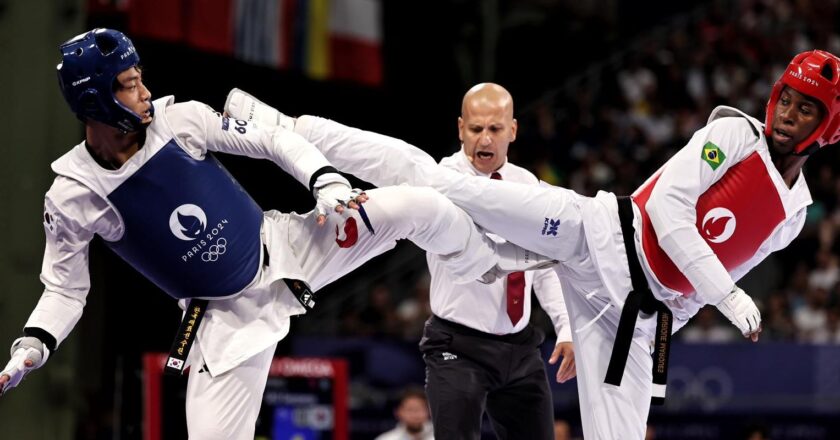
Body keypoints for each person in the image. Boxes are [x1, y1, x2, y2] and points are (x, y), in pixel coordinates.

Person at [227, 49, 840, 439]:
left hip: (626, 320)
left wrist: (656, 326)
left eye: (805, 108)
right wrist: (730, 298)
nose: (787, 113)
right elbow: (672, 213)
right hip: (593, 237)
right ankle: (284, 127)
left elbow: (699, 282)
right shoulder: (733, 133)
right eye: (785, 98)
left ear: (827, 126)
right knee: (431, 180)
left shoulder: (793, 214)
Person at [0, 29, 552, 440]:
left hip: (291, 245)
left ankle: (494, 260)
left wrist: (326, 182)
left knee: (419, 201)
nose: (144, 91)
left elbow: (270, 144)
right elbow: (66, 290)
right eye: (128, 84)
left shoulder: (181, 120)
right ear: (93, 98)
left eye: (140, 76)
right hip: (223, 319)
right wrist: (33, 344)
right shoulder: (73, 195)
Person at [417, 83, 574, 440]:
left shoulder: (528, 184)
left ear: (513, 131)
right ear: (460, 128)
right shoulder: (440, 184)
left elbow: (545, 266)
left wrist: (566, 326)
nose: (484, 140)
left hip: (520, 348)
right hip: (458, 346)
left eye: (494, 129)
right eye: (475, 129)